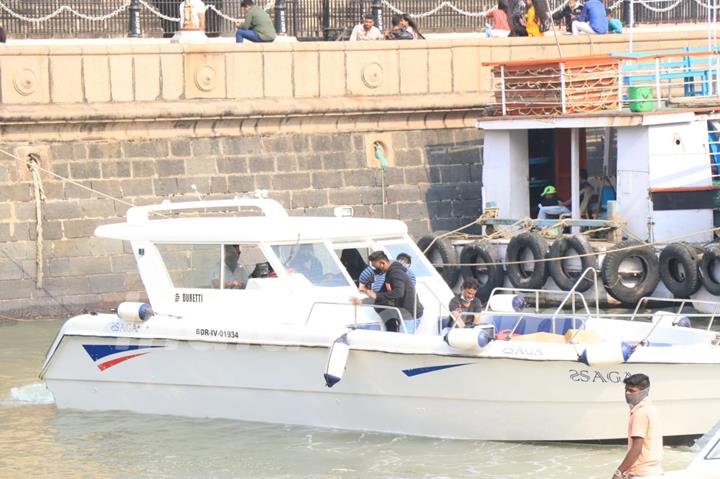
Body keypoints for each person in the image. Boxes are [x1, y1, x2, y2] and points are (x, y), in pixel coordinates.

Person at [351, 251, 423, 332]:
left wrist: (376, 295)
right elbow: (380, 295)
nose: (375, 271)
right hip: (403, 313)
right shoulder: (388, 275)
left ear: (382, 263)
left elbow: (399, 292)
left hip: (411, 315)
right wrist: (362, 301)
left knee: (403, 341)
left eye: (376, 267)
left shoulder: (396, 273)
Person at [612, 373, 663, 479]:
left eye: (632, 391)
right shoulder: (651, 409)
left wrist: (618, 472)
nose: (627, 394)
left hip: (641, 474)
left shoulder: (639, 414)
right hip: (655, 472)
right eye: (626, 390)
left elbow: (636, 448)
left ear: (643, 392)